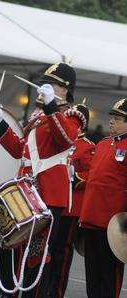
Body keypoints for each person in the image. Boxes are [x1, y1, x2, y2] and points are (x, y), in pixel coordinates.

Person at [0, 63, 85, 298]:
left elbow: (65, 139)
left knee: (37, 253)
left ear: (64, 88)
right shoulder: (40, 118)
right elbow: (19, 149)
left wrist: (51, 107)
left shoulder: (72, 116)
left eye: (51, 83)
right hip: (26, 188)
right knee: (16, 246)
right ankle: (11, 293)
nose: (43, 87)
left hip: (49, 192)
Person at [79, 98, 127, 298]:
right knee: (93, 276)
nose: (112, 122)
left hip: (114, 225)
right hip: (91, 219)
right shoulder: (102, 144)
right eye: (112, 118)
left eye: (118, 118)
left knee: (109, 278)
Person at [47, 102, 94, 298]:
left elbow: (91, 173)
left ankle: (56, 293)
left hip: (71, 208)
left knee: (62, 254)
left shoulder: (87, 146)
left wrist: (73, 176)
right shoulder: (61, 140)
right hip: (55, 203)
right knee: (48, 252)